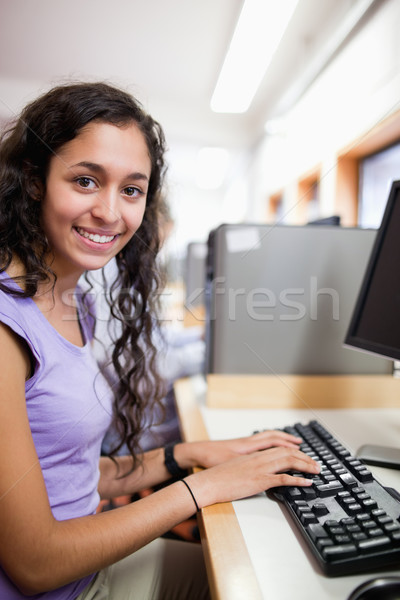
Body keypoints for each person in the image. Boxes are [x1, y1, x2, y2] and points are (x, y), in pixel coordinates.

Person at [0, 81, 320, 600]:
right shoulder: (7, 329)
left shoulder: (72, 301)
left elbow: (70, 475)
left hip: (81, 573)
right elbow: (37, 563)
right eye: (85, 180)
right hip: (59, 587)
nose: (110, 211)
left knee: (267, 572)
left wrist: (188, 453)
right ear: (34, 181)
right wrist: (204, 487)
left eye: (131, 189)